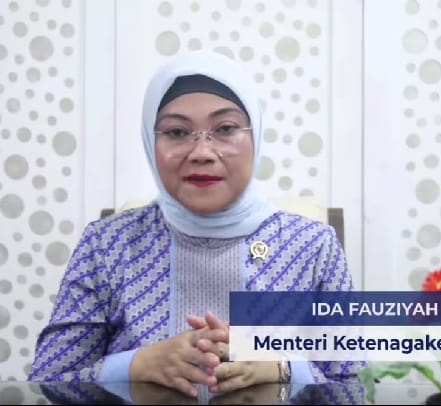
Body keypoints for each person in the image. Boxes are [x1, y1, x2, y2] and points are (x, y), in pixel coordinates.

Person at [28, 50, 365, 398]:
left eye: (226, 129)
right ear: (151, 142)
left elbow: (353, 384)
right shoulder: (108, 245)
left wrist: (280, 368)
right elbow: (50, 382)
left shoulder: (313, 246)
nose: (202, 152)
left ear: (256, 136)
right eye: (177, 132)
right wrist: (133, 367)